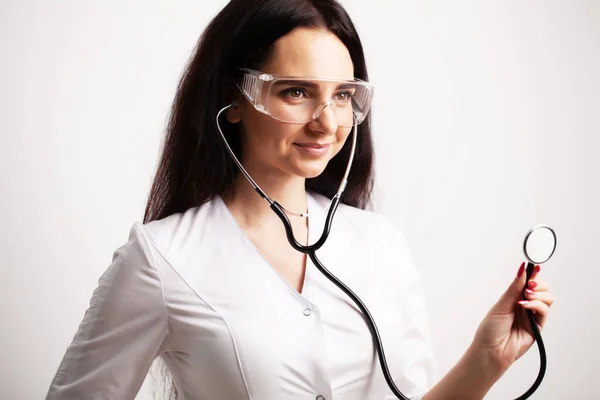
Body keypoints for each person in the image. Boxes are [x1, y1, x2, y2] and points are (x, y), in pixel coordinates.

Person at [45, 0, 554, 399]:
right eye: (296, 92)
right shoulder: (162, 259)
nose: (327, 122)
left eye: (341, 95)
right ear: (236, 100)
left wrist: (488, 361)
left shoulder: (382, 244)